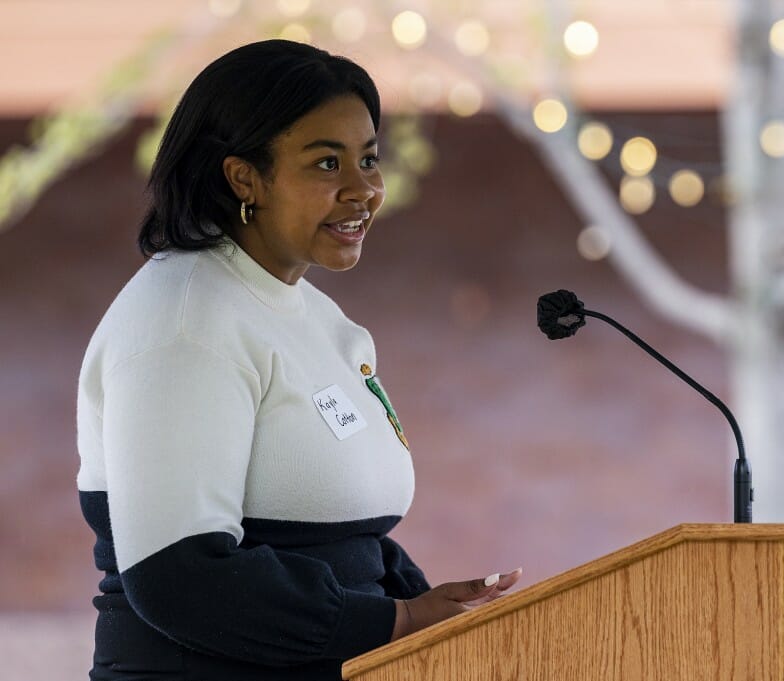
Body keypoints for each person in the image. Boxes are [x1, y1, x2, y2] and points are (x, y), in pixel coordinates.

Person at [75, 39, 521, 680]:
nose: (363, 189)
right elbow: (180, 577)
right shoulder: (185, 319)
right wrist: (397, 623)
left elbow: (338, 539)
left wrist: (424, 603)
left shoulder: (319, 321)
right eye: (325, 164)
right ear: (243, 177)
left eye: (369, 159)